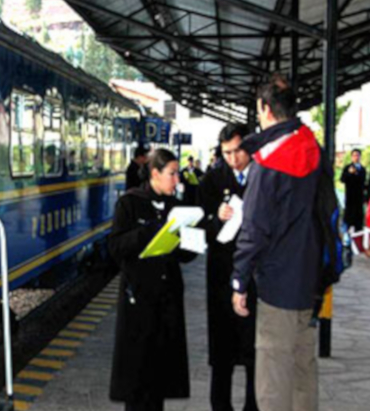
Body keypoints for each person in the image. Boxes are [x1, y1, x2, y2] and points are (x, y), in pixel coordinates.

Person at [231, 74, 322, 411]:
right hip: (308, 280)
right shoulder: (314, 151)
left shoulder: (267, 164)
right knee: (303, 371)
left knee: (272, 377)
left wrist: (239, 279)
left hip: (277, 286)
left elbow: (254, 230)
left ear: (266, 110)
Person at [109, 148, 197, 411]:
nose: (177, 180)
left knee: (160, 374)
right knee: (137, 377)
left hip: (167, 299)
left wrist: (190, 242)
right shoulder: (129, 203)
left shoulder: (177, 207)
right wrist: (148, 232)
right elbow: (116, 248)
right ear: (155, 174)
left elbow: (184, 256)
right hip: (138, 299)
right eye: (172, 174)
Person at [198, 123, 258, 411]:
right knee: (222, 347)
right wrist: (216, 218)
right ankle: (220, 405)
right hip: (222, 273)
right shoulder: (212, 178)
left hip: (256, 275)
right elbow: (199, 226)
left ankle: (252, 405)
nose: (233, 159)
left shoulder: (263, 176)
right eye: (226, 153)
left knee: (254, 349)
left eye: (237, 151)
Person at [341, 148, 367, 231]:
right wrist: (349, 173)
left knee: (358, 219)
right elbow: (342, 179)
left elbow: (363, 181)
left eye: (358, 155)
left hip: (359, 197)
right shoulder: (347, 168)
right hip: (350, 196)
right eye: (354, 155)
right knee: (348, 217)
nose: (356, 157)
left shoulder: (362, 169)